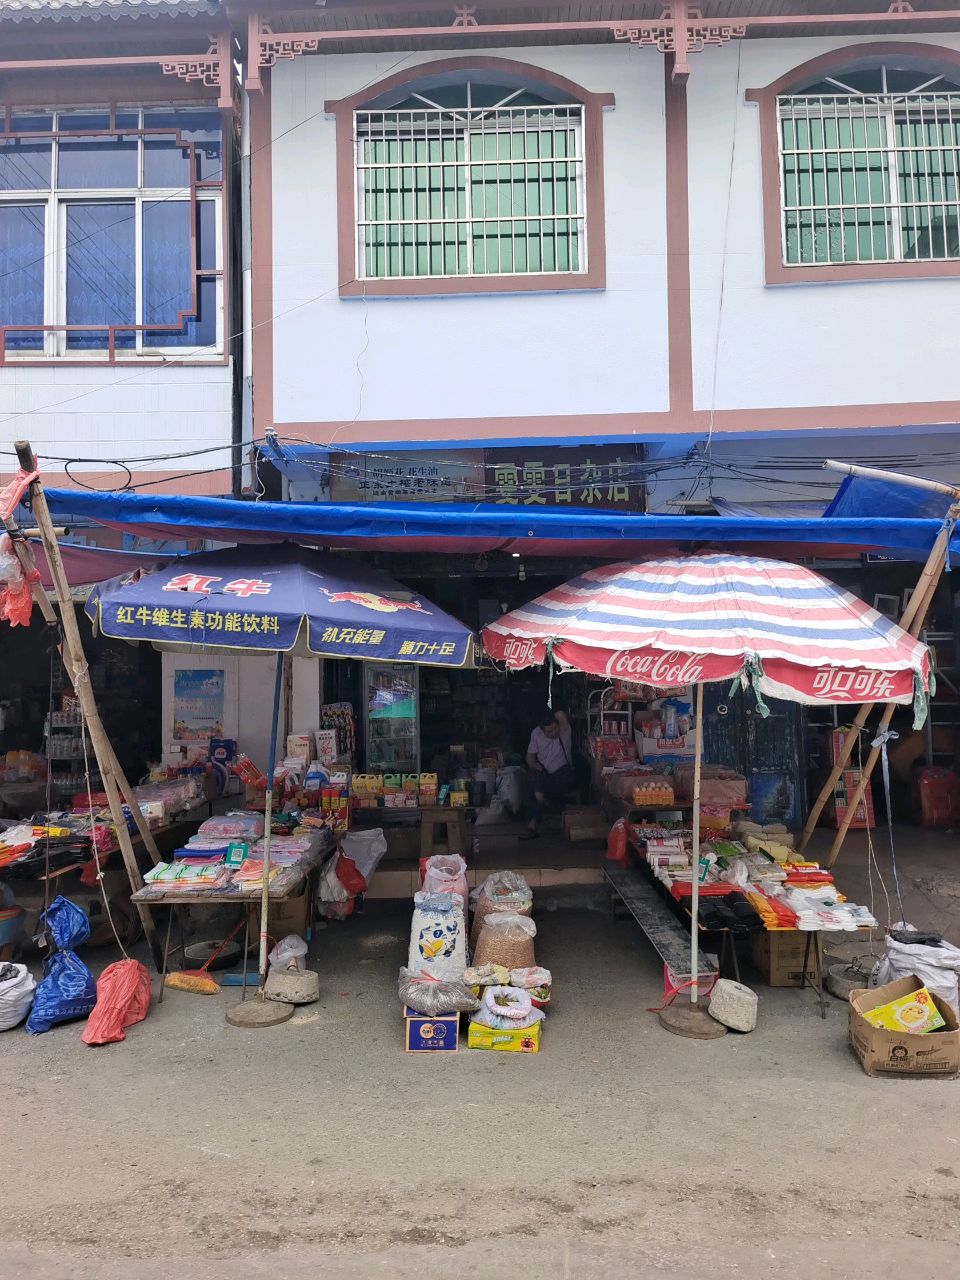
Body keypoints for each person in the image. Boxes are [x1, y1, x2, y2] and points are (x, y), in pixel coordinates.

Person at [520, 708, 575, 839]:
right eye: (549, 731)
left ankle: (534, 820)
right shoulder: (536, 733)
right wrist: (534, 765)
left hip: (563, 775)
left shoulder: (564, 730)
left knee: (535, 787)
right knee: (533, 772)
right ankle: (539, 798)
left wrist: (550, 716)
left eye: (555, 728)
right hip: (545, 777)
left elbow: (561, 714)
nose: (554, 732)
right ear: (541, 730)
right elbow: (529, 757)